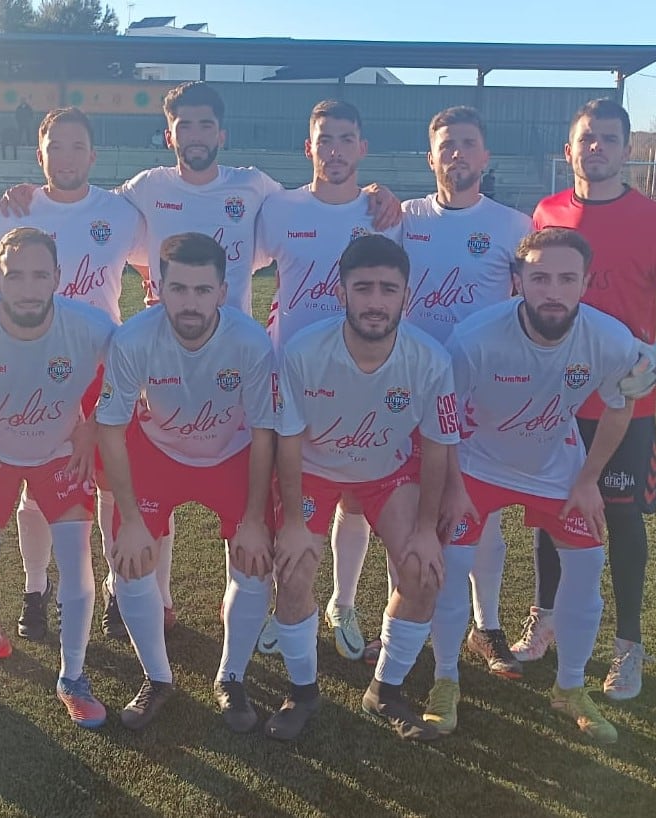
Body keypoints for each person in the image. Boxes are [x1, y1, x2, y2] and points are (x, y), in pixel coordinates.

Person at [0, 81, 398, 638]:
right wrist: (29, 195)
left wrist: (374, 193)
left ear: (221, 133)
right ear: (169, 135)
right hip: (154, 358)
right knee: (123, 479)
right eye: (184, 126)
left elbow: (319, 200)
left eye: (206, 125)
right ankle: (133, 595)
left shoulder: (257, 190)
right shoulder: (142, 191)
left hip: (237, 363)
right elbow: (99, 222)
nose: (196, 136)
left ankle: (286, 604)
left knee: (256, 483)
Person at [510, 99, 656, 701]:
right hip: (554, 402)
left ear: (626, 150)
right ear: (568, 150)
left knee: (618, 519)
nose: (596, 148)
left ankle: (628, 647)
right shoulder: (546, 214)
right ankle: (543, 619)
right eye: (586, 138)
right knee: (549, 512)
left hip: (623, 405)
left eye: (608, 139)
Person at [430, 227, 639, 744]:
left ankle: (569, 689)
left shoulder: (609, 338)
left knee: (588, 562)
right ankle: (444, 679)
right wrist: (453, 485)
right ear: (517, 280)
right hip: (478, 467)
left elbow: (621, 404)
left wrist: (589, 479)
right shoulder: (475, 336)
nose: (553, 290)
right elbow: (444, 416)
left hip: (557, 467)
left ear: (585, 283)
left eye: (567, 278)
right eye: (540, 277)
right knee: (452, 563)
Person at [340, 107, 531, 672]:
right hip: (405, 387)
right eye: (447, 145)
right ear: (431, 157)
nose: (458, 154)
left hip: (480, 392)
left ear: (485, 156)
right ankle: (388, 619)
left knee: (480, 511)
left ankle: (487, 626)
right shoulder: (404, 217)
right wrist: (373, 189)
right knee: (388, 501)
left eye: (468, 144)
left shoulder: (512, 226)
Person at [268, 234, 458, 741]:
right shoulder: (303, 353)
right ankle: (302, 692)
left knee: (423, 573)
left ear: (406, 296)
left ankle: (386, 691)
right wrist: (289, 522)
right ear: (342, 292)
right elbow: (286, 442)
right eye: (364, 287)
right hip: (314, 469)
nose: (376, 301)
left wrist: (424, 530)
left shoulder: (431, 360)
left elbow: (437, 447)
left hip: (387, 473)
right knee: (292, 572)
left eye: (388, 289)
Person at [96, 232, 278, 732]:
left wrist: (256, 519)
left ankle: (231, 677)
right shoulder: (133, 338)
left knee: (256, 560)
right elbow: (110, 429)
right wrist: (130, 519)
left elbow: (264, 432)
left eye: (202, 290)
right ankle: (157, 678)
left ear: (223, 292)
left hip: (232, 456)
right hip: (158, 455)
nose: (190, 303)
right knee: (130, 562)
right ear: (157, 287)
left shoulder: (249, 342)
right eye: (178, 289)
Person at [0, 107, 146, 643]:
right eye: (56, 147)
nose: (67, 157)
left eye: (77, 147)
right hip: (28, 369)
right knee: (35, 488)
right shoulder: (13, 211)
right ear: (40, 155)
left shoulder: (122, 212)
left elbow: (163, 257)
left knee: (107, 481)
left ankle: (116, 591)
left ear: (93, 155)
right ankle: (36, 587)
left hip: (100, 365)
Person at [0, 227, 115, 735]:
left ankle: (74, 677)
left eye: (40, 274)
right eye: (14, 275)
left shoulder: (91, 326)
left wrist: (91, 429)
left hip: (59, 451)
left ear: (58, 279)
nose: (27, 287)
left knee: (76, 559)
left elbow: (128, 372)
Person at [252, 99, 402, 663]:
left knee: (355, 501)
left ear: (362, 149)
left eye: (346, 138)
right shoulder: (279, 209)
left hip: (364, 376)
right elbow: (232, 259)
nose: (334, 150)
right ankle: (283, 603)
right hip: (291, 379)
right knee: (284, 498)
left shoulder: (385, 215)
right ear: (307, 148)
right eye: (324, 139)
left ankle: (343, 601)